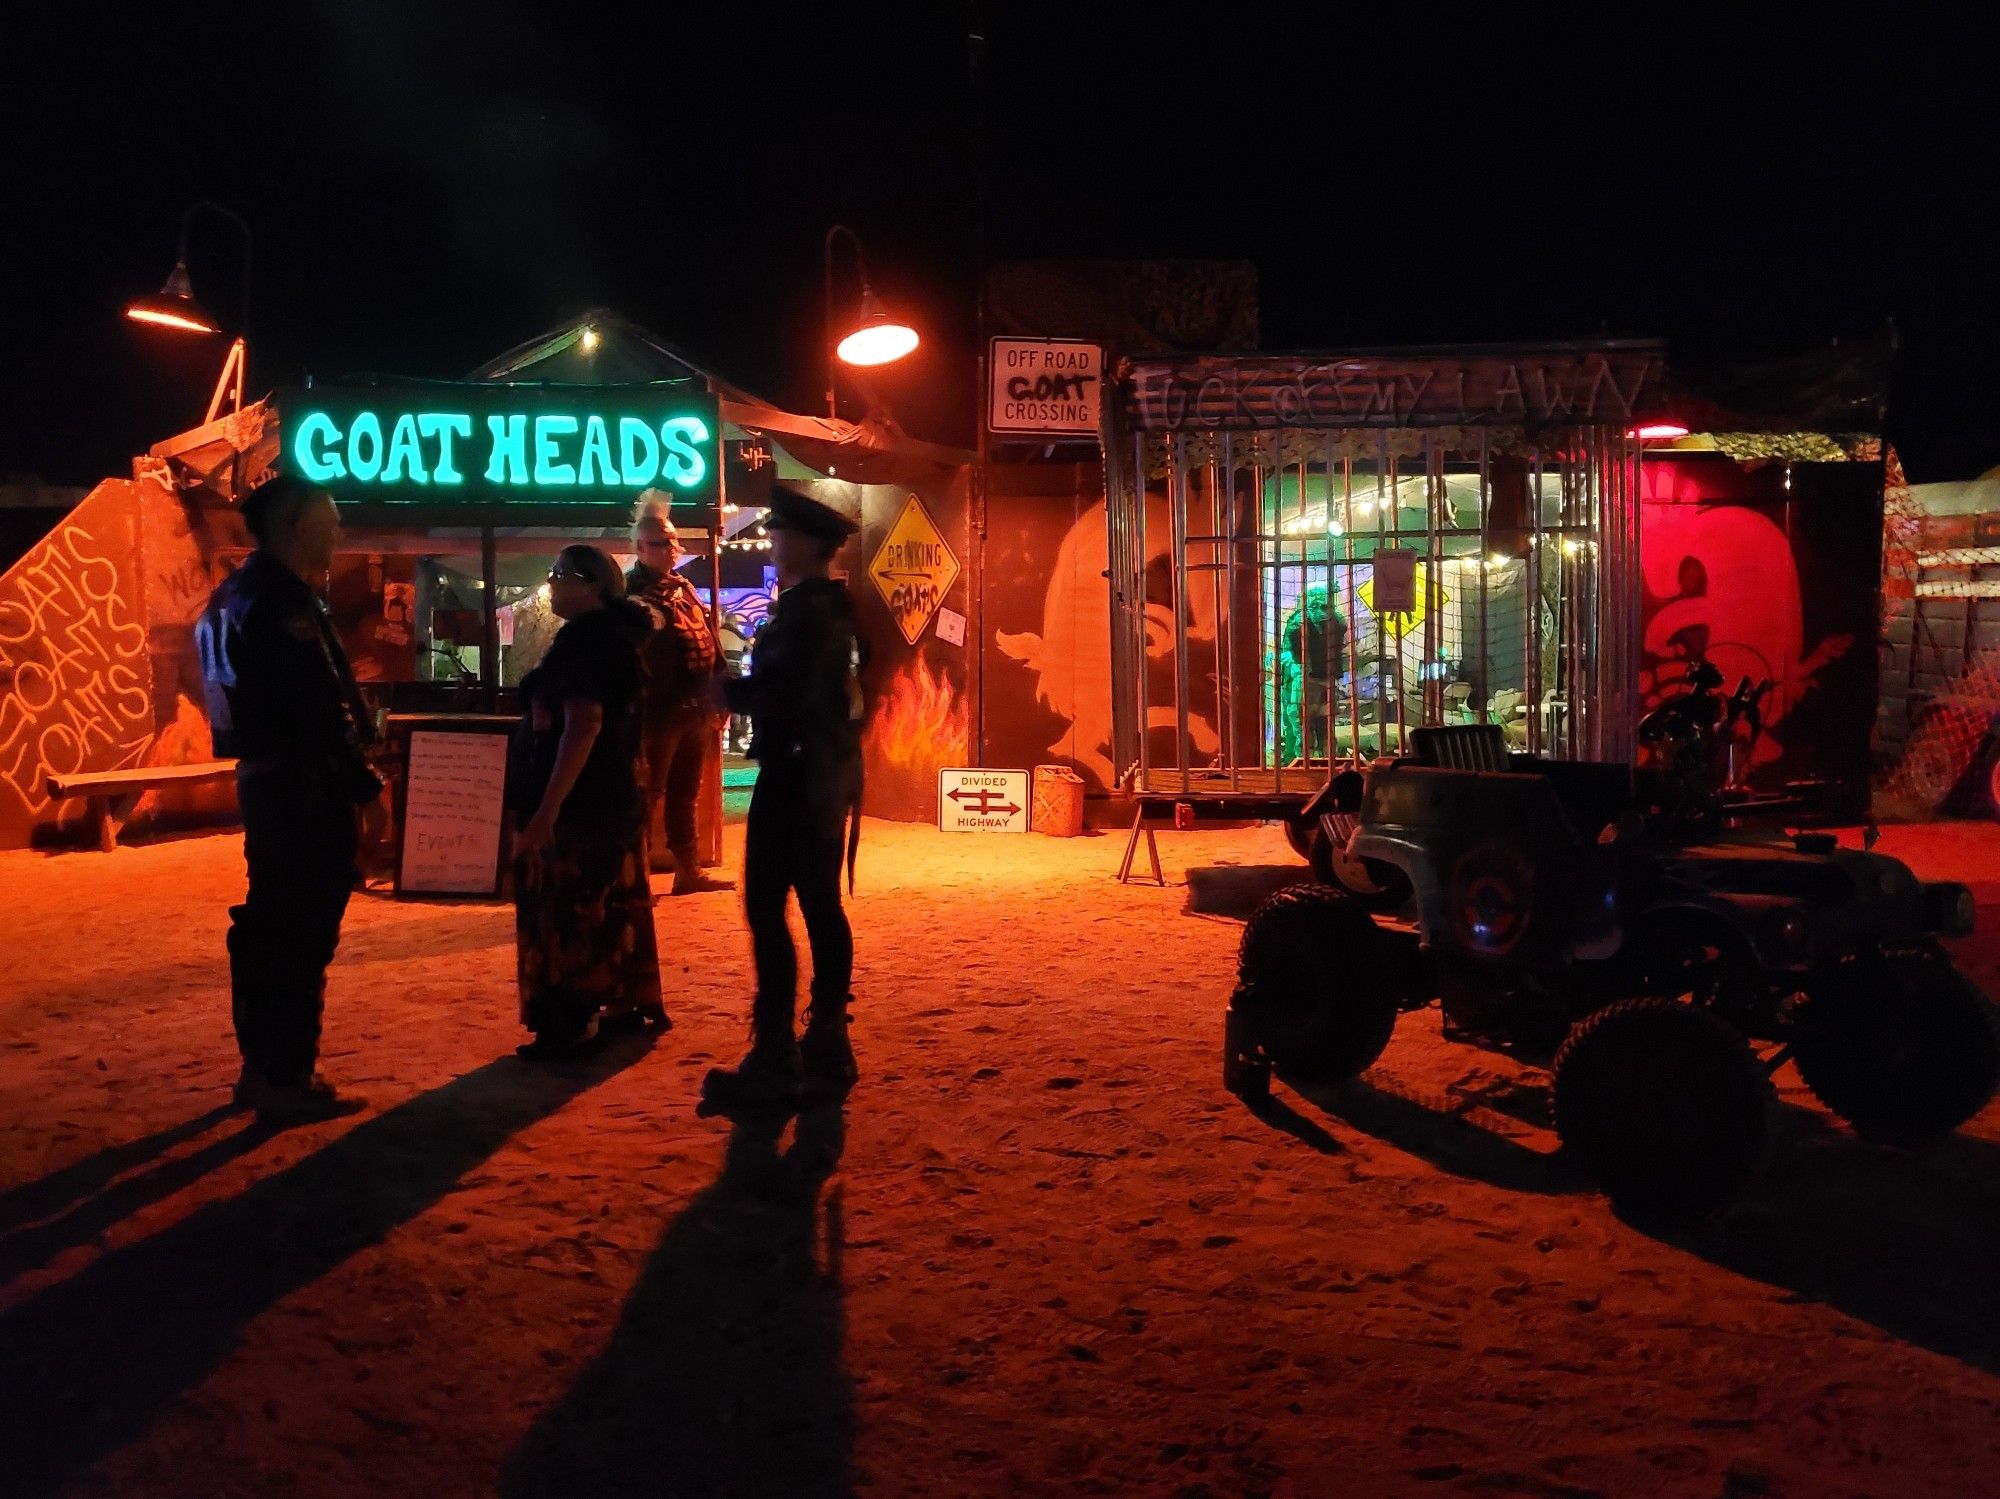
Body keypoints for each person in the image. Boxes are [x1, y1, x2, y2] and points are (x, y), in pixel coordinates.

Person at [197, 475, 380, 1122]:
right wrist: (360, 778)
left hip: (265, 781)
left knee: (267, 925)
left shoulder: (231, 596)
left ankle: (261, 1068)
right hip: (305, 787)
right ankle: (286, 1076)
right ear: (295, 525)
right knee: (301, 932)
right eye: (330, 521)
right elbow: (317, 706)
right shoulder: (283, 601)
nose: (339, 534)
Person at [701, 485, 867, 1108]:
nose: (772, 544)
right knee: (821, 906)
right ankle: (826, 1038)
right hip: (826, 776)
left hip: (796, 779)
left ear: (806, 544)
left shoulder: (805, 615)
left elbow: (788, 696)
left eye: (780, 536)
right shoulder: (835, 611)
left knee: (768, 908)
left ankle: (775, 1054)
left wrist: (731, 695)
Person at [508, 545, 666, 1057]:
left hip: (581, 803)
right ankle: (620, 1006)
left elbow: (583, 726)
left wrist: (547, 810)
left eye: (560, 575)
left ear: (593, 585)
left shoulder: (585, 642)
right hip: (614, 796)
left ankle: (571, 1025)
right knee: (612, 902)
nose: (551, 582)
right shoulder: (618, 639)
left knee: (568, 910)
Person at [624, 491, 730, 894]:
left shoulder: (683, 588)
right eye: (662, 542)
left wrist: (721, 693)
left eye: (673, 541)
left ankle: (688, 872)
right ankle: (634, 877)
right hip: (659, 712)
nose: (672, 549)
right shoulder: (631, 598)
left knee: (686, 793)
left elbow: (707, 640)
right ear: (639, 547)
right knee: (648, 794)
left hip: (697, 707)